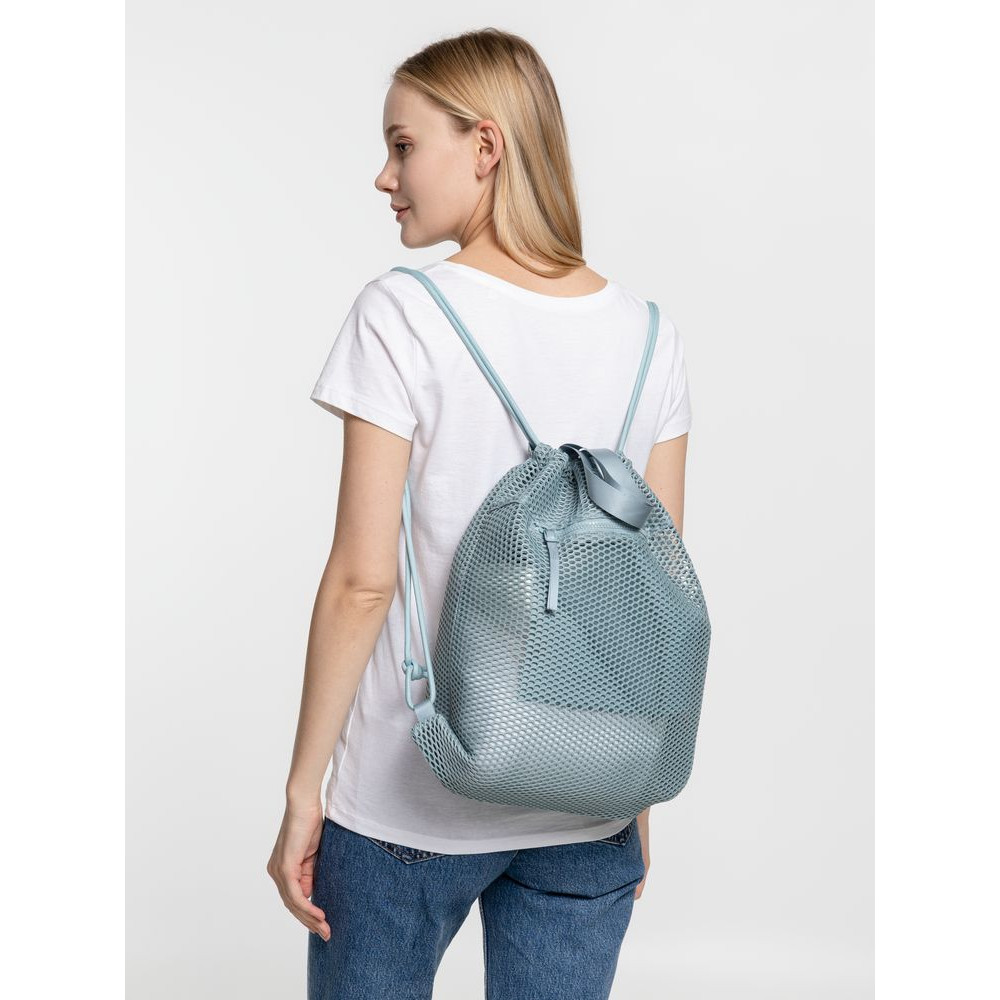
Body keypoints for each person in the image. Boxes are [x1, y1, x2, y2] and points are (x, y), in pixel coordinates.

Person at [267, 27, 695, 1000]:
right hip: (589, 804)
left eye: (403, 145)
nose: (385, 177)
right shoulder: (650, 336)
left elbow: (361, 579)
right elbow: (658, 593)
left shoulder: (402, 313)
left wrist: (302, 792)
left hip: (409, 801)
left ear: (485, 147)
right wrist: (635, 788)